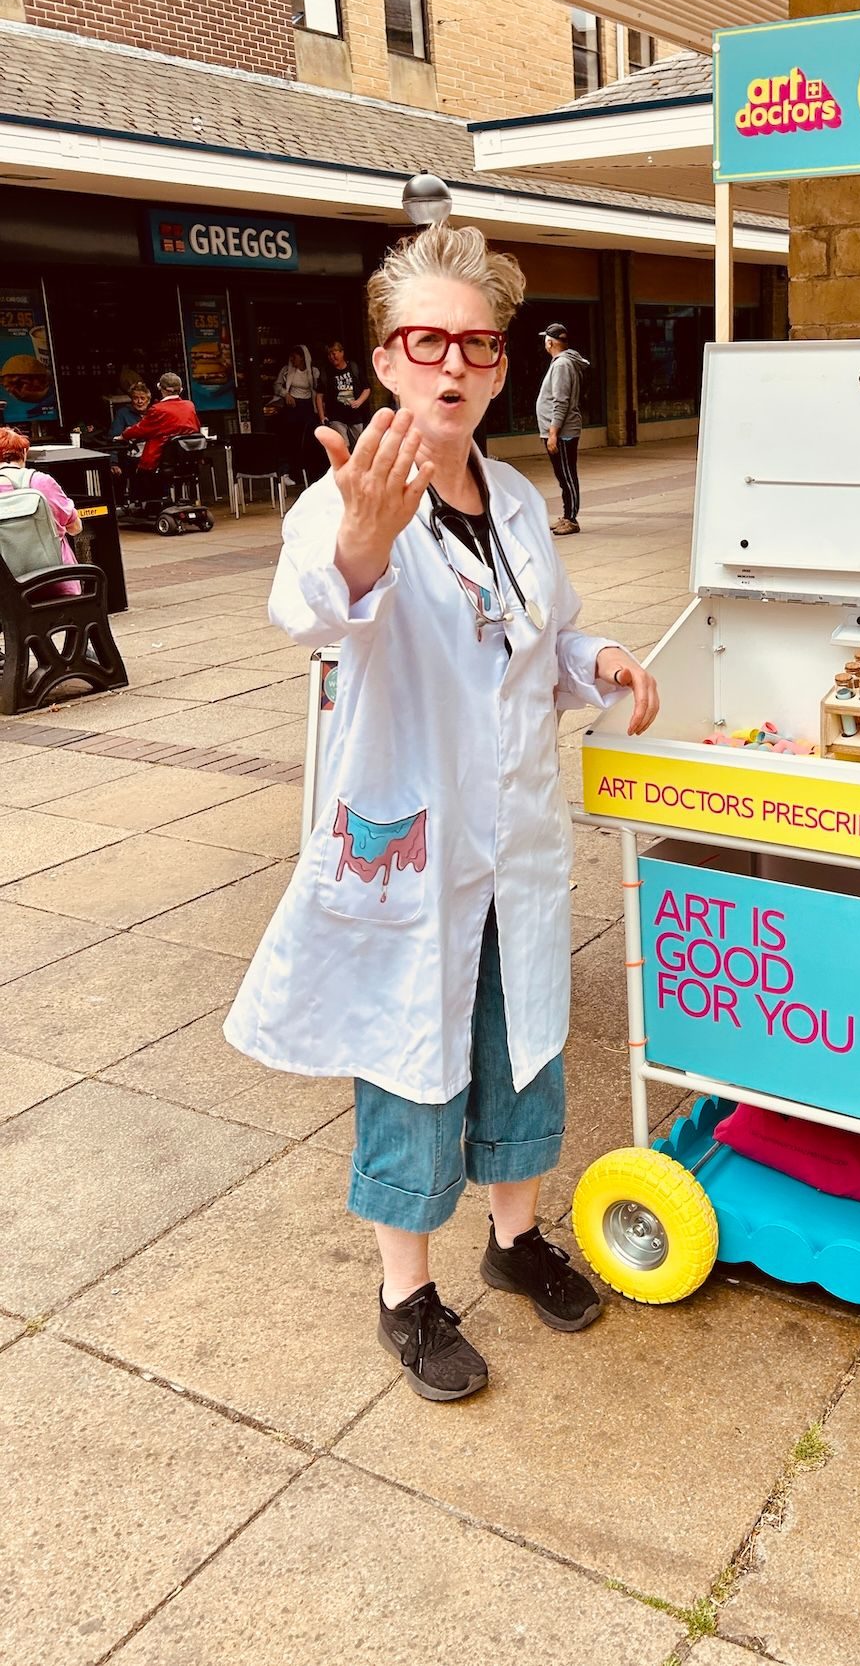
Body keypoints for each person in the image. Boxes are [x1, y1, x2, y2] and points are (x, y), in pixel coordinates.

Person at [224, 222, 659, 1405]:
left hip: (512, 833)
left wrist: (602, 655)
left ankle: (514, 1243)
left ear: (503, 362)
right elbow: (314, 606)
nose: (453, 365)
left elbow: (545, 636)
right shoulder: (345, 501)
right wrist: (364, 545)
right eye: (427, 341)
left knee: (523, 1039)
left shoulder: (514, 499)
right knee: (411, 1063)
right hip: (407, 846)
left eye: (477, 343)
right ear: (384, 359)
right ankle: (404, 1295)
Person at [0, 426, 84, 596]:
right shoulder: (40, 481)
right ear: (24, 452)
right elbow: (75, 528)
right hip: (54, 578)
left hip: (6, 588)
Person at [535, 324, 589, 535]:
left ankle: (572, 519)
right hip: (560, 431)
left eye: (545, 339)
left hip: (563, 432)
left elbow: (561, 402)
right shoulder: (562, 363)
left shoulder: (562, 365)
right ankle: (567, 516)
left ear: (550, 342)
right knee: (563, 476)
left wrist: (553, 433)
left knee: (567, 476)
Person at [117, 371, 199, 498]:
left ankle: (146, 504)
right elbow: (196, 428)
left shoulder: (158, 409)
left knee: (134, 465)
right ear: (181, 389)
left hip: (162, 461)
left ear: (160, 388)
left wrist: (124, 435)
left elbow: (141, 428)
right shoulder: (190, 406)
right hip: (188, 460)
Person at [267, 343, 323, 487]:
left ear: (303, 358)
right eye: (291, 358)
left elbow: (317, 390)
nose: (293, 361)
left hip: (307, 407)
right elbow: (277, 385)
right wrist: (286, 395)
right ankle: (289, 472)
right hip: (293, 405)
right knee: (290, 439)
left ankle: (311, 472)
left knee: (309, 439)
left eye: (295, 358)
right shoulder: (287, 371)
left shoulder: (313, 372)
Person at [321, 339, 371, 448]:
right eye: (329, 354)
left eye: (334, 353)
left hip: (355, 415)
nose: (332, 357)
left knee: (359, 446)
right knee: (343, 445)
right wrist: (322, 416)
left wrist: (359, 401)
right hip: (336, 415)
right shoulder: (327, 372)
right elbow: (319, 395)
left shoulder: (353, 368)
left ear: (342, 352)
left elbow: (366, 389)